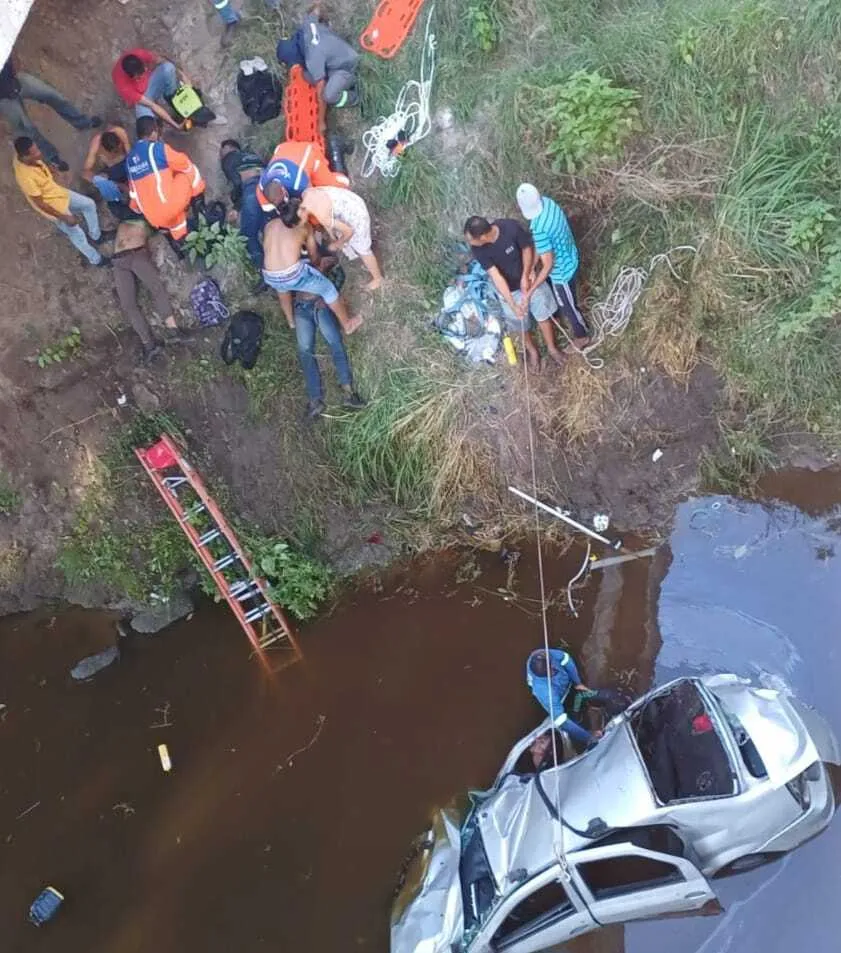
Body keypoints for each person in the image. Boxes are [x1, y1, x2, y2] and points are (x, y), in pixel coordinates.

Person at [464, 215, 562, 370]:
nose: (470, 243)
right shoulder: (478, 249)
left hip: (529, 280)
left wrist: (526, 274)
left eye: (471, 239)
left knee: (543, 315)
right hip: (507, 289)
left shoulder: (509, 227)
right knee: (519, 324)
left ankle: (552, 348)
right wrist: (512, 302)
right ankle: (533, 352)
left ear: (482, 236)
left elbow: (526, 249)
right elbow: (495, 275)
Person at [13, 136, 111, 267]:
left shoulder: (23, 157)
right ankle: (96, 260)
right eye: (35, 152)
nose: (39, 153)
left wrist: (50, 168)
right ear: (25, 156)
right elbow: (40, 203)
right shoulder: (26, 178)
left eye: (36, 148)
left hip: (57, 192)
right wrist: (64, 217)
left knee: (89, 204)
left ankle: (96, 236)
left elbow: (39, 161)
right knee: (77, 234)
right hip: (53, 206)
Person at [516, 183, 590, 349]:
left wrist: (530, 292)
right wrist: (533, 266)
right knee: (564, 301)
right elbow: (542, 247)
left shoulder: (539, 229)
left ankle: (582, 335)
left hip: (562, 271)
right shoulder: (548, 203)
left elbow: (548, 265)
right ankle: (560, 316)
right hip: (569, 252)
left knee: (568, 306)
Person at [262, 216, 363, 335]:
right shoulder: (304, 226)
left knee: (282, 291)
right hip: (292, 274)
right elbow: (314, 258)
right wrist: (320, 267)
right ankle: (347, 325)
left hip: (269, 274)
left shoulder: (270, 225)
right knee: (328, 290)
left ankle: (291, 322)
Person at [0, 54, 101, 171]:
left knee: (55, 97)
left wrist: (13, 65)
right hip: (4, 99)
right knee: (28, 129)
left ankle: (84, 122)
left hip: (16, 81)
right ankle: (52, 158)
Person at [111, 216, 186, 361]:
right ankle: (149, 345)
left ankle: (173, 331)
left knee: (157, 288)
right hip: (118, 262)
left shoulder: (151, 217)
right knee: (128, 305)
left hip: (136, 254)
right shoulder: (127, 213)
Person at [276, 3, 360, 134]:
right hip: (339, 53)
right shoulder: (306, 25)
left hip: (347, 66)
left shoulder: (312, 58)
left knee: (329, 95)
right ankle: (331, 74)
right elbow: (317, 8)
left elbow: (321, 95)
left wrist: (321, 122)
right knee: (305, 75)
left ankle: (356, 96)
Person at [126, 117, 206, 242]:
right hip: (169, 207)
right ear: (153, 132)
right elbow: (184, 164)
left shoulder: (129, 160)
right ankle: (200, 205)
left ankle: (181, 238)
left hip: (153, 218)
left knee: (169, 212)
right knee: (188, 171)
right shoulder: (157, 149)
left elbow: (134, 195)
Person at [292, 290, 366, 417]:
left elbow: (335, 276)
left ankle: (348, 393)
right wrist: (290, 319)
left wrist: (327, 297)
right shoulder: (283, 274)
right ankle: (315, 400)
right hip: (301, 307)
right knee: (306, 352)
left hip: (318, 303)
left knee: (335, 343)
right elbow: (283, 291)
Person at [298, 186, 382, 290]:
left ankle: (378, 278)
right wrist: (333, 236)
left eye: (300, 223)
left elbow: (349, 231)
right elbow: (328, 221)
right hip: (352, 200)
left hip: (356, 215)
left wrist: (336, 244)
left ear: (301, 216)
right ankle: (367, 245)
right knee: (348, 237)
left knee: (363, 249)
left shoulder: (322, 216)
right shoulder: (306, 194)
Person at [256, 138, 349, 214]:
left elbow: (313, 199)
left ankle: (335, 149)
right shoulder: (260, 192)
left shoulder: (298, 184)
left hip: (307, 153)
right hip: (283, 149)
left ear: (284, 190)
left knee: (336, 188)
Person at [525, 648, 596, 747]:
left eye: (551, 665)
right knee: (572, 716)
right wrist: (589, 737)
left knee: (579, 699)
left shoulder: (542, 655)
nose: (553, 669)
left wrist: (577, 682)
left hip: (568, 686)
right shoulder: (545, 693)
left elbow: (566, 659)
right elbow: (561, 721)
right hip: (561, 698)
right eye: (550, 671)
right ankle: (579, 733)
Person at [112, 49, 190, 131]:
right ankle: (157, 123)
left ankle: (172, 96)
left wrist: (182, 74)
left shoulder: (138, 54)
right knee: (145, 120)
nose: (143, 72)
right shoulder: (124, 87)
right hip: (141, 96)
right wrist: (176, 126)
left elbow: (161, 59)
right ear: (133, 77)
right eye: (139, 76)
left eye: (143, 69)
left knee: (169, 67)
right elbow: (152, 105)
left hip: (150, 81)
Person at [220, 139, 268, 270]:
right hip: (269, 184)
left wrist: (236, 208)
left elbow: (240, 185)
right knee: (269, 227)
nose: (221, 154)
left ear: (230, 148)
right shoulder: (252, 157)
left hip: (253, 187)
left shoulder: (229, 159)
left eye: (222, 150)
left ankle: (264, 271)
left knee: (247, 234)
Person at [82, 125, 132, 216]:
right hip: (111, 170)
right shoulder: (96, 145)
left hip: (124, 163)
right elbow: (86, 172)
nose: (117, 151)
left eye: (118, 148)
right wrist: (99, 180)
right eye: (114, 151)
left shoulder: (120, 133)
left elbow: (129, 153)